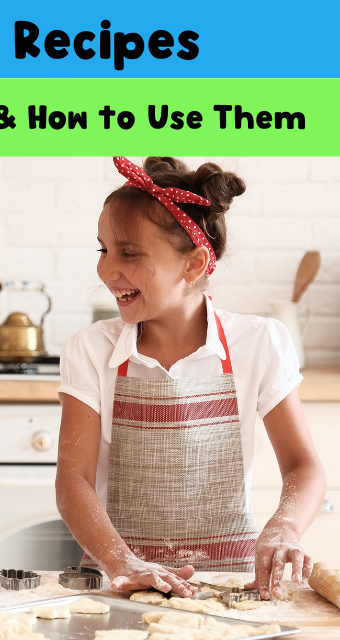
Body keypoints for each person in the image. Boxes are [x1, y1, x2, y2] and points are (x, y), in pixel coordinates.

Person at [55, 157, 326, 600]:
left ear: (194, 264)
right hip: (120, 586)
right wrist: (121, 563)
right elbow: (73, 479)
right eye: (103, 250)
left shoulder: (259, 342)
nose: (106, 270)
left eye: (130, 253)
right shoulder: (90, 350)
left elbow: (303, 465)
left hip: (233, 587)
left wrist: (285, 527)